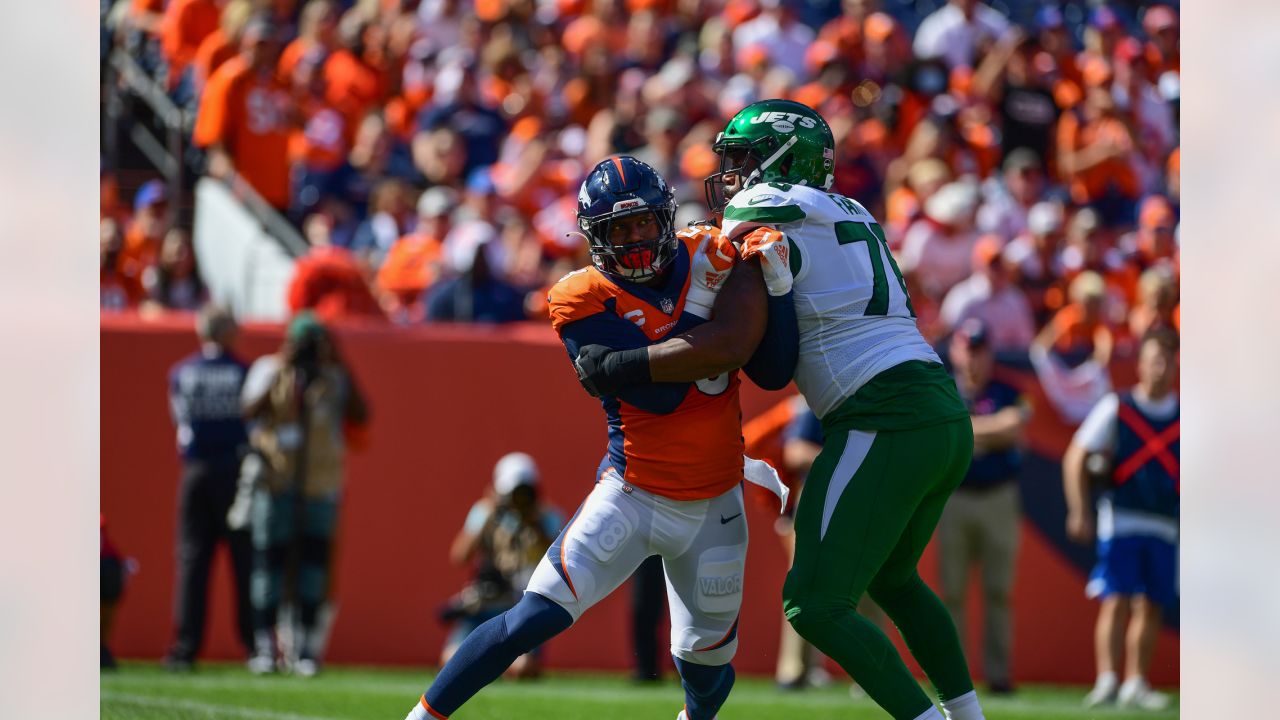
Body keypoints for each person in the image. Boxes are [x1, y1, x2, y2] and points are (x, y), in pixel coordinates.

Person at [575, 100, 985, 720]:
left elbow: (695, 266)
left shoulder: (768, 204)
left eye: (741, 159)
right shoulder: (852, 210)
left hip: (884, 411)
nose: (732, 176)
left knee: (814, 604)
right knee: (894, 579)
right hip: (939, 410)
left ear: (779, 159)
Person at [401, 156, 793, 720]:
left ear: (665, 220)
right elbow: (657, 395)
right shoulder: (581, 294)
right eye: (619, 229)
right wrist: (715, 324)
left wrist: (765, 288)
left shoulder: (713, 255)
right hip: (632, 492)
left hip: (715, 503)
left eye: (643, 225)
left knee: (706, 667)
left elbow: (770, 367)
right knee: (531, 618)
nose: (635, 240)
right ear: (595, 237)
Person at [242, 311, 369, 676]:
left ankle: (307, 649)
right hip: (277, 480)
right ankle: (265, 647)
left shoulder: (333, 376)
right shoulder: (270, 369)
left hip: (319, 485)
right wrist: (286, 365)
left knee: (313, 568)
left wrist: (338, 359)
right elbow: (248, 411)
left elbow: (361, 415)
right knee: (270, 565)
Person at [1063, 328, 1179, 711]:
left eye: (1165, 360)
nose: (1159, 368)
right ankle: (1108, 680)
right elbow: (1077, 455)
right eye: (1152, 360)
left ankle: (1136, 682)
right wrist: (1080, 508)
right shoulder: (1119, 407)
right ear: (1140, 364)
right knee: (1115, 598)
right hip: (1121, 518)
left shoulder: (1186, 414)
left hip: (1165, 522)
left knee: (1152, 604)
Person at [937, 319, 1031, 695]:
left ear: (990, 354)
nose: (972, 357)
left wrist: (966, 431)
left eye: (979, 350)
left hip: (998, 497)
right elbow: (941, 429)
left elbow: (1014, 424)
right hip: (953, 498)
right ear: (955, 351)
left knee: (999, 591)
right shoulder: (941, 387)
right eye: (966, 348)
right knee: (952, 593)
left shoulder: (1010, 390)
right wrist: (986, 433)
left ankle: (998, 675)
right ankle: (956, 678)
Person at [162, 305, 255, 671]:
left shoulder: (182, 373)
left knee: (192, 560)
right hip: (233, 470)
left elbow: (180, 424)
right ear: (225, 331)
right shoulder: (243, 373)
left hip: (196, 472)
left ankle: (185, 647)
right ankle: (253, 646)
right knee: (243, 560)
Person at [441, 453, 562, 679]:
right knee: (450, 661)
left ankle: (490, 664)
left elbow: (558, 559)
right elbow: (460, 556)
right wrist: (488, 516)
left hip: (520, 607)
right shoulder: (485, 511)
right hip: (484, 604)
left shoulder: (547, 517)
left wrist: (534, 524)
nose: (519, 499)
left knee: (522, 667)